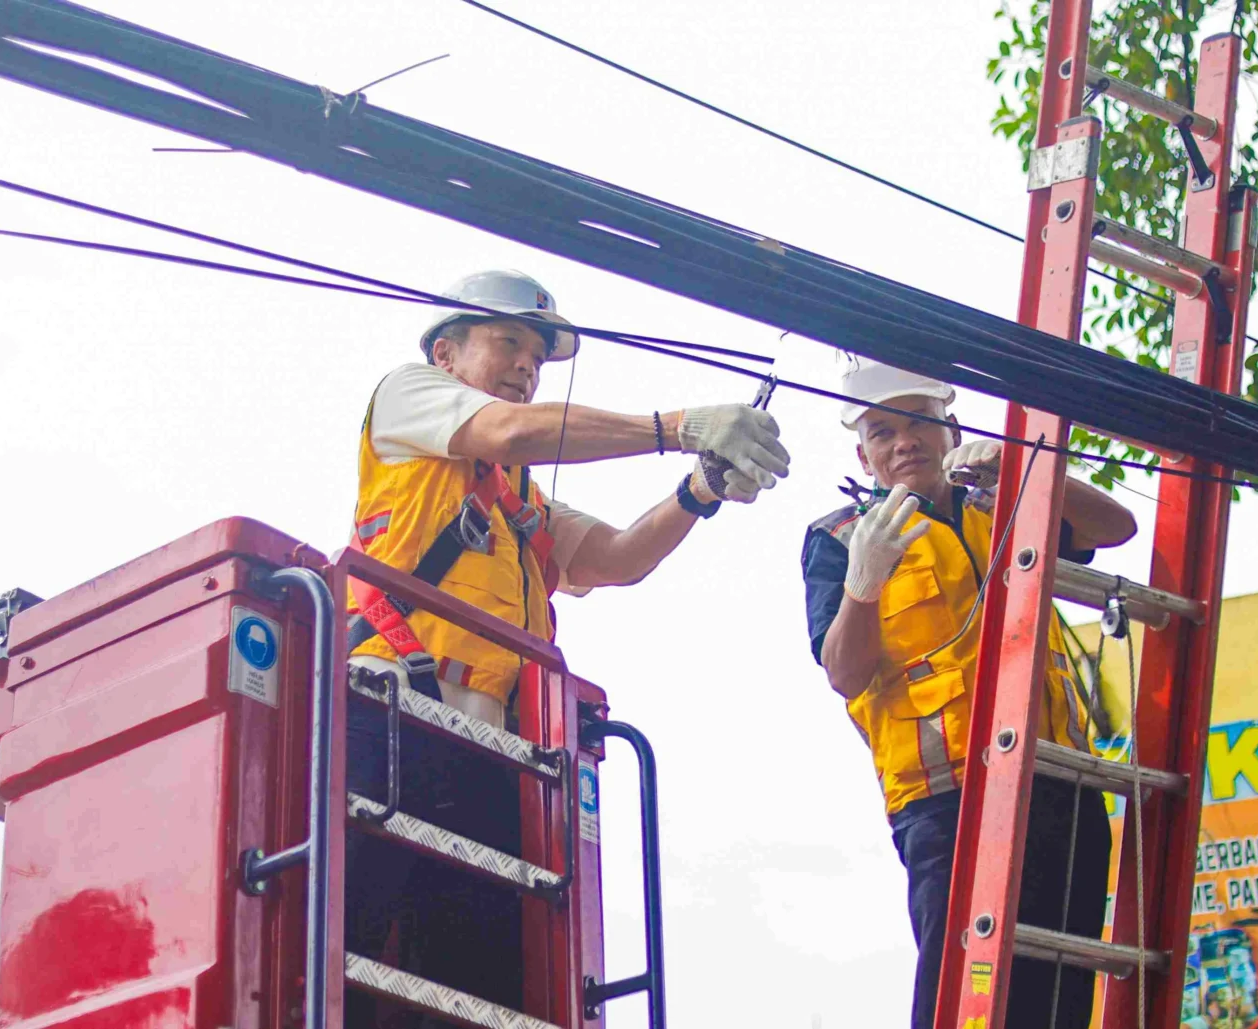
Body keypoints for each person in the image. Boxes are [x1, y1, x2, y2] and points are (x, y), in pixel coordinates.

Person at [344, 269, 791, 1025]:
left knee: (471, 991)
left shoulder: (519, 497)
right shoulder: (406, 393)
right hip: (386, 717)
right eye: (510, 343)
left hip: (490, 753)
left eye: (539, 357)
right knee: (351, 956)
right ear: (446, 353)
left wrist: (699, 490)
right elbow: (510, 428)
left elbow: (614, 557)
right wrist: (677, 425)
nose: (528, 364)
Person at [800, 357, 1136, 1029]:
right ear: (862, 455)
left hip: (1056, 785)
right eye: (883, 431)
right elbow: (843, 670)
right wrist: (864, 583)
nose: (905, 443)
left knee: (1059, 1000)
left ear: (952, 428)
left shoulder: (1006, 504)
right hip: (946, 804)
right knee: (961, 999)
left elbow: (1115, 527)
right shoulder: (838, 539)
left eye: (921, 422)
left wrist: (1031, 471)